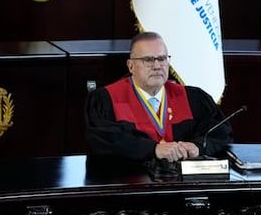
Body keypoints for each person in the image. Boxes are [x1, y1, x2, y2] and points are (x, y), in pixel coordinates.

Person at [85, 32, 231, 163]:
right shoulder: (106, 99)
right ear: (131, 66)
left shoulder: (193, 98)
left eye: (162, 59)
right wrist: (153, 149)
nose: (156, 66)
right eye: (148, 60)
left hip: (182, 184)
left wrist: (198, 146)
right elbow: (102, 141)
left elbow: (221, 130)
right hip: (128, 183)